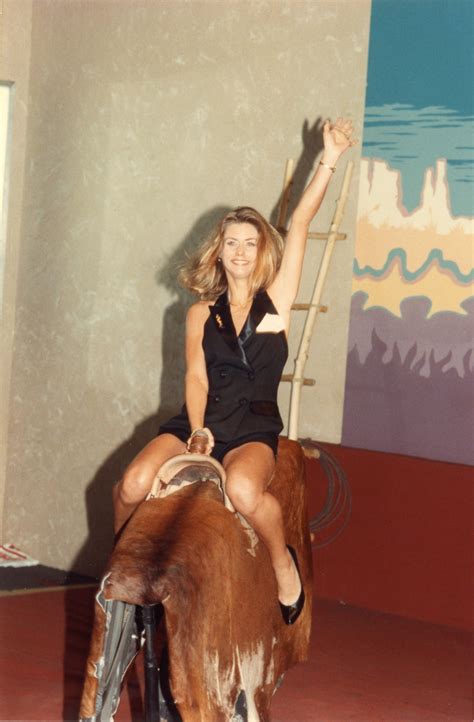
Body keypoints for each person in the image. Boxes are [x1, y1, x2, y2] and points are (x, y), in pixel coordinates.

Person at [113, 117, 356, 624]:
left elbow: (304, 222)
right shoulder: (201, 313)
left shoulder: (278, 304)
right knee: (132, 483)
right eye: (232, 243)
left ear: (262, 250)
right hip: (200, 423)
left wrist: (329, 156)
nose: (241, 251)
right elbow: (196, 378)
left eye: (250, 242)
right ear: (218, 253)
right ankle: (120, 575)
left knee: (245, 492)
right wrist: (197, 431)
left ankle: (282, 567)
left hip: (252, 429)